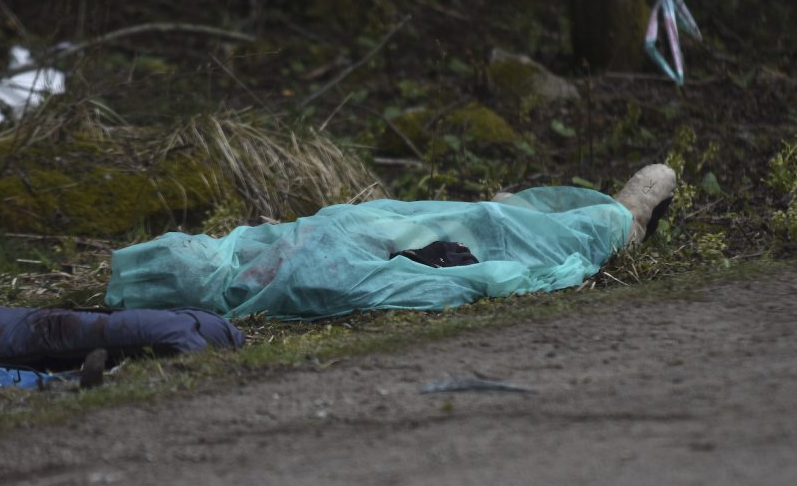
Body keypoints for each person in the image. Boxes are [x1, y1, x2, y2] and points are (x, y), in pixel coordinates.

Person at [105, 164, 677, 321]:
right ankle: (628, 216)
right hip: (426, 246)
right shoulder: (282, 288)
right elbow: (399, 284)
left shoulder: (238, 252)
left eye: (192, 244)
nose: (200, 245)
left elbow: (311, 233)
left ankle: (598, 212)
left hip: (397, 228)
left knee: (487, 214)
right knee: (510, 232)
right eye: (192, 254)